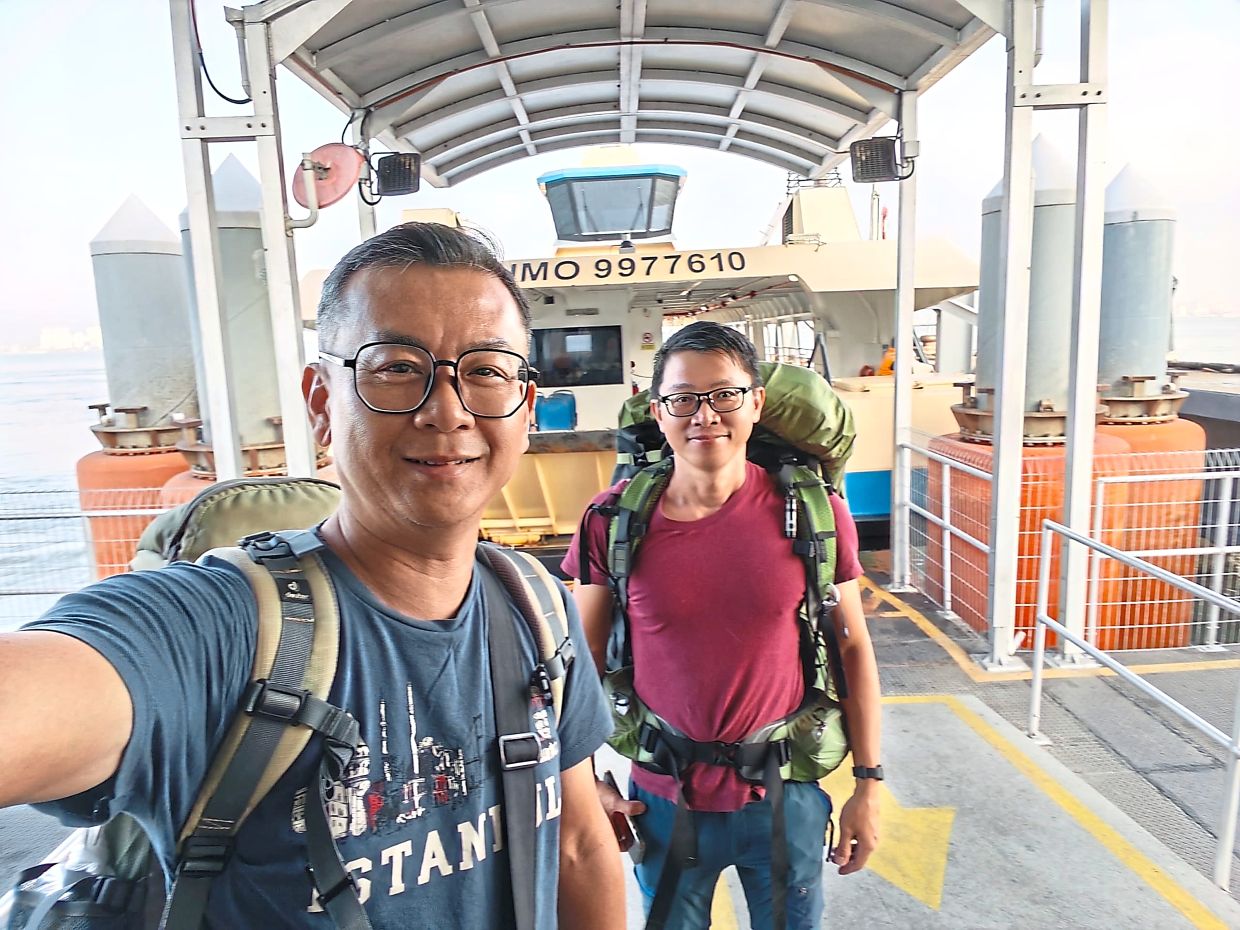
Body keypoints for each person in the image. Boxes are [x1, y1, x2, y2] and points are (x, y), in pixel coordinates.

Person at [0, 223, 624, 929]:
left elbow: (575, 845)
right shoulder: (225, 631)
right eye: (396, 367)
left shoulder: (536, 606)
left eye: (484, 371)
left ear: (525, 406)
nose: (446, 410)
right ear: (322, 403)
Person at [563, 322, 882, 930]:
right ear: (659, 413)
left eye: (725, 394)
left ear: (756, 402)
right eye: (684, 398)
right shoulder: (611, 522)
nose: (705, 415)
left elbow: (854, 649)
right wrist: (585, 785)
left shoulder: (817, 515)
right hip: (659, 798)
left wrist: (869, 786)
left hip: (785, 800)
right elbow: (579, 660)